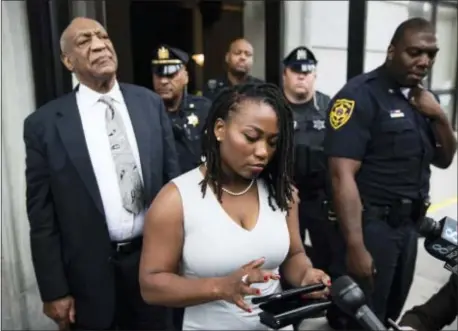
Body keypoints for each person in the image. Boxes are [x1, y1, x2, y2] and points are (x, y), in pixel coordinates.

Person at [23, 17, 179, 330]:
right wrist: (54, 290)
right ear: (68, 61)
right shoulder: (44, 124)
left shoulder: (149, 104)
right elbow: (42, 216)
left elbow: (172, 185)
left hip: (153, 264)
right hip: (88, 280)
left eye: (102, 36)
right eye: (84, 41)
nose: (99, 44)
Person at [139, 83, 332, 330]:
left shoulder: (281, 192)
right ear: (220, 129)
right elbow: (151, 285)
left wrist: (307, 275)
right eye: (251, 137)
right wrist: (220, 287)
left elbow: (294, 255)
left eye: (273, 142)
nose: (263, 152)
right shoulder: (175, 200)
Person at [323, 17, 457, 330]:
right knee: (361, 318)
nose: (424, 61)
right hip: (372, 229)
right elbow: (341, 176)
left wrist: (438, 115)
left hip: (408, 228)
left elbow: (445, 159)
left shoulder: (420, 100)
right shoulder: (358, 96)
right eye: (415, 52)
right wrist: (356, 247)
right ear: (392, 51)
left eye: (431, 54)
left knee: (389, 316)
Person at [281, 46, 332, 273]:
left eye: (307, 72)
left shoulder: (329, 107)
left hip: (320, 199)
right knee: (286, 258)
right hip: (283, 198)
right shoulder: (273, 107)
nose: (302, 76)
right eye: (295, 71)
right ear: (285, 74)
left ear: (315, 75)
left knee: (328, 257)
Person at [152, 44, 211, 174]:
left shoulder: (204, 109)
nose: (163, 81)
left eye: (170, 75)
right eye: (158, 75)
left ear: (186, 76)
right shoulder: (146, 112)